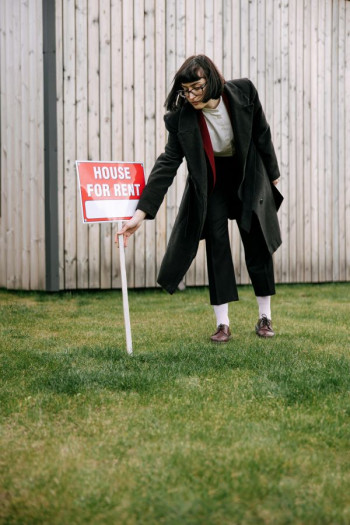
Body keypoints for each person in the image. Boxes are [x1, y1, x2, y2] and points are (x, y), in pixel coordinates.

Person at [116, 55, 283, 343]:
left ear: (212, 80)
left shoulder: (244, 92)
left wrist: (273, 172)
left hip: (246, 174)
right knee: (216, 244)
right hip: (212, 182)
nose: (190, 95)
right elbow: (167, 163)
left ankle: (265, 317)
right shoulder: (182, 118)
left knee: (257, 242)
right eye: (185, 90)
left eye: (196, 87)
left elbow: (261, 133)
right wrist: (140, 213)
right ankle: (223, 324)